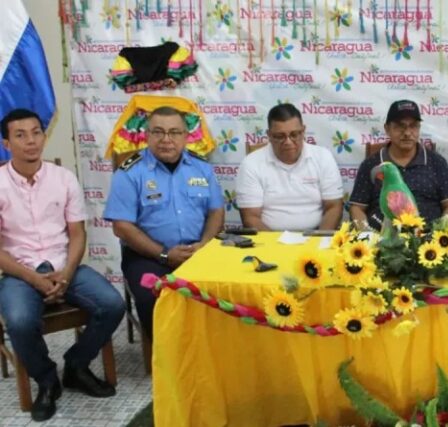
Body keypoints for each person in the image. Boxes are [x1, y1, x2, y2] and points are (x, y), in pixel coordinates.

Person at [0, 109, 125, 421]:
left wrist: (67, 274)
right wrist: (34, 278)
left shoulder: (63, 178)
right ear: (6, 143)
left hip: (63, 265)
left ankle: (77, 365)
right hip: (19, 272)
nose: (31, 141)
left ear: (44, 136)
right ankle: (46, 379)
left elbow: (77, 234)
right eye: (20, 135)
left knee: (111, 304)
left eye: (36, 132)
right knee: (18, 320)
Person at [104, 106, 224, 341]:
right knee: (152, 295)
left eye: (174, 133)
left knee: (226, 287)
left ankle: (210, 352)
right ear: (147, 135)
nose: (166, 140)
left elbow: (216, 212)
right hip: (148, 256)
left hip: (197, 252)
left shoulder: (202, 168)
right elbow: (122, 226)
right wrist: (164, 254)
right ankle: (165, 357)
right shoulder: (129, 172)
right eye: (158, 132)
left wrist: (205, 244)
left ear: (186, 137)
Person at [349, 100, 448, 229]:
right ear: (387, 129)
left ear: (419, 128)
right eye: (400, 126)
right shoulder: (372, 164)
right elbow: (357, 207)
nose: (407, 133)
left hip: (428, 242)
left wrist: (441, 232)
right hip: (380, 240)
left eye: (413, 126)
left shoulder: (436, 162)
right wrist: (366, 233)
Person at [236, 104, 343, 231]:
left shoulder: (323, 157)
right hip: (269, 239)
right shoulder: (251, 163)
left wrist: (319, 240)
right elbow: (251, 218)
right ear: (269, 135)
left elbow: (334, 207)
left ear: (303, 131)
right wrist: (278, 247)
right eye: (280, 136)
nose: (288, 142)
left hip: (315, 235)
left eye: (294, 134)